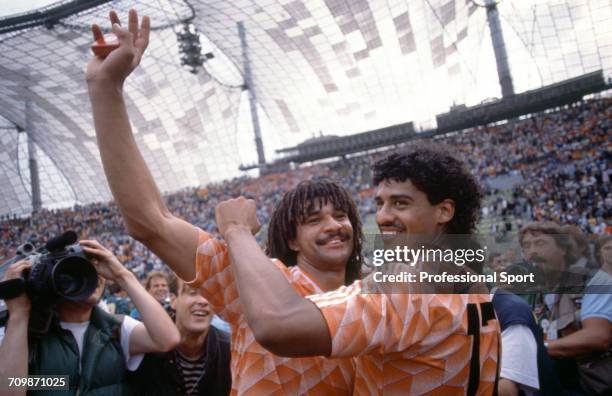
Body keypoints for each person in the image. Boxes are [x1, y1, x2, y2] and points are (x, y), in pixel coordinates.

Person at [87, 10, 357, 394]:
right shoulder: (258, 285)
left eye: (341, 215)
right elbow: (150, 221)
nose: (333, 225)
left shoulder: (378, 296)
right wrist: (106, 88)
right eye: (313, 219)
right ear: (293, 240)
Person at [214, 148, 500, 394]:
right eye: (380, 203)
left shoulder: (408, 283)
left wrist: (236, 230)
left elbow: (277, 324)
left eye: (401, 203)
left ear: (444, 211)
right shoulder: (474, 286)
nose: (384, 217)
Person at [0, 240, 179, 396]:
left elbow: (168, 339)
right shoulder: (30, 333)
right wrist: (18, 313)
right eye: (80, 268)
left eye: (96, 267)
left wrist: (122, 275)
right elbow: (10, 390)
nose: (92, 276)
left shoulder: (116, 328)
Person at [130, 281, 231, 395]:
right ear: (173, 300)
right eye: (193, 293)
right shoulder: (145, 347)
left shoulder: (230, 350)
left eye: (210, 295)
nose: (203, 301)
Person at [545, 234, 612, 395]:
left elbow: (597, 337)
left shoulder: (598, 282)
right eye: (608, 248)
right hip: (575, 374)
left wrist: (542, 348)